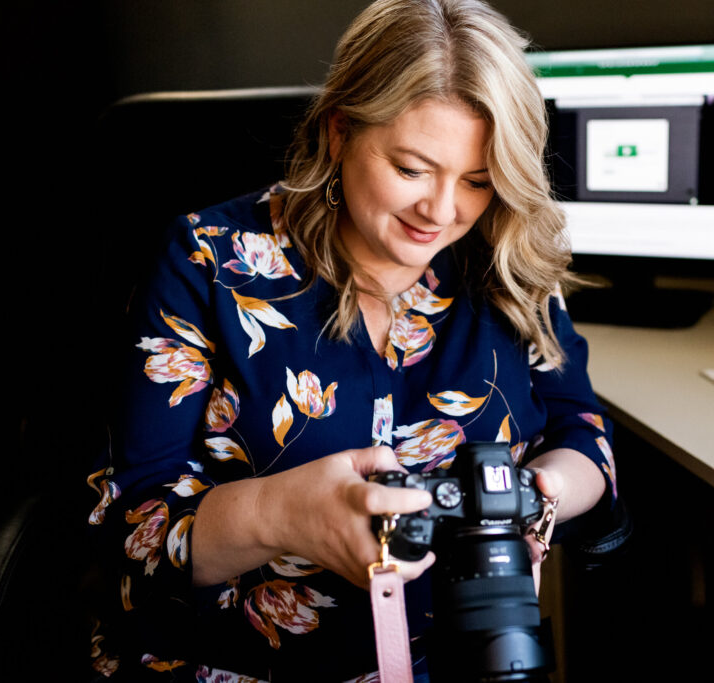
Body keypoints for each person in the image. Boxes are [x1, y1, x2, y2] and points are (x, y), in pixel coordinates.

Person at [86, 0, 616, 680]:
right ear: (340, 133)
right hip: (222, 663)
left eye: (478, 180)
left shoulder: (506, 256)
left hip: (455, 660)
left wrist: (531, 494)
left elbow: (583, 430)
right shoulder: (207, 265)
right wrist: (278, 513)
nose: (444, 210)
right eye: (412, 168)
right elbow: (131, 531)